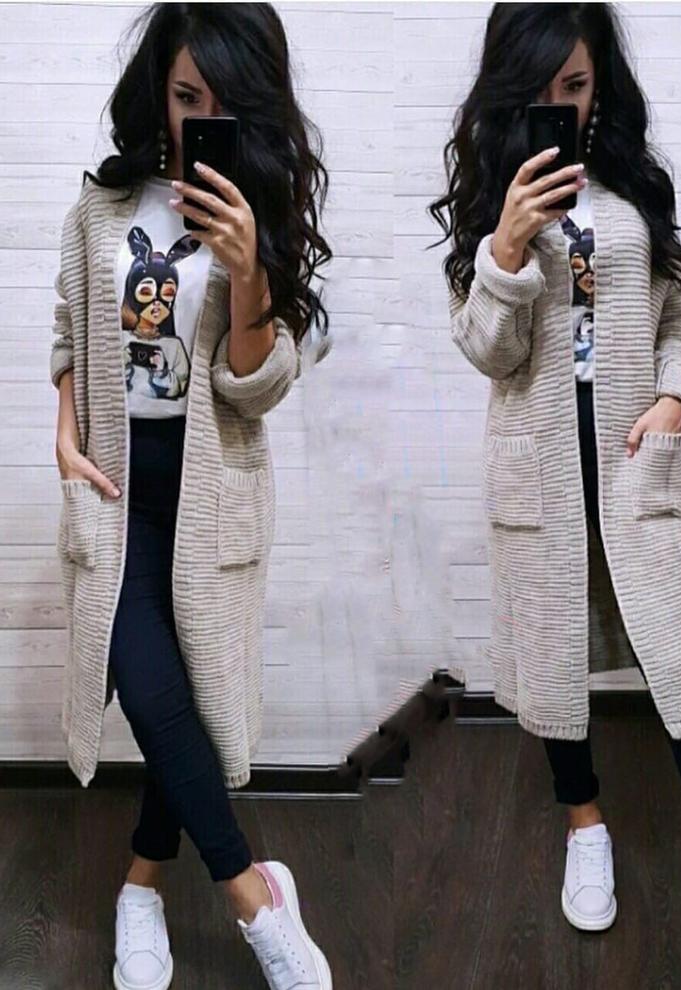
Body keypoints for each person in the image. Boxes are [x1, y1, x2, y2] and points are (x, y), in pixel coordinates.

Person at [429, 5, 681, 988]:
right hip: (536, 476)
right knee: (553, 669)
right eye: (541, 92)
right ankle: (585, 824)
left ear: (600, 86)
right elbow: (489, 354)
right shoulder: (492, 204)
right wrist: (504, 250)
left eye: (576, 89)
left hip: (631, 464)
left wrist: (675, 399)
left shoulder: (634, 190)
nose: (562, 108)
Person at [50, 5, 332, 988]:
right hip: (115, 484)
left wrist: (249, 274)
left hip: (212, 490)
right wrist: (62, 430)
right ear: (156, 92)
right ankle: (255, 900)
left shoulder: (266, 217)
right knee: (146, 680)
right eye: (183, 98)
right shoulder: (102, 205)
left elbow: (254, 389)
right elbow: (68, 325)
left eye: (220, 105)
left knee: (193, 701)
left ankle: (141, 883)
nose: (196, 121)